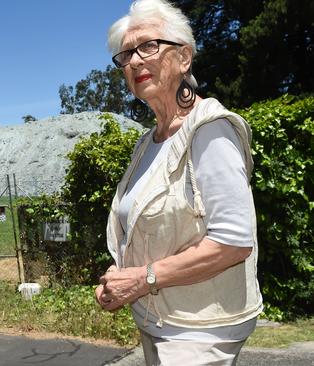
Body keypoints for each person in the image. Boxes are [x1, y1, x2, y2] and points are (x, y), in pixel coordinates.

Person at [94, 0, 263, 365]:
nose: (135, 60)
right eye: (125, 54)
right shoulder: (147, 142)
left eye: (148, 46)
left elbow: (234, 242)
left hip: (201, 329)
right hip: (158, 321)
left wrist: (142, 279)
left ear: (184, 58)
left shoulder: (210, 130)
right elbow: (148, 228)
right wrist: (119, 278)